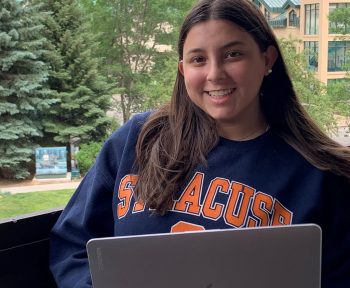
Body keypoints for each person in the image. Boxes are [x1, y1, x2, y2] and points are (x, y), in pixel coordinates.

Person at [49, 0, 350, 287]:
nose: (214, 74)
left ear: (266, 59)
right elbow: (72, 244)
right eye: (198, 59)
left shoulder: (321, 176)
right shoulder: (137, 139)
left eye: (233, 54)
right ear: (183, 70)